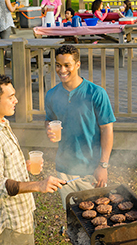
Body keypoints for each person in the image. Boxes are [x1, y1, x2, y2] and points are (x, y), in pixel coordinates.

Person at [0, 74, 65, 244]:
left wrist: (23, 165)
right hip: (10, 224)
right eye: (11, 97)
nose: (16, 100)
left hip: (20, 215)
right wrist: (39, 185)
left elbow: (2, 164)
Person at [44, 45, 115, 208]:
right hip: (63, 168)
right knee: (72, 218)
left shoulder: (96, 93)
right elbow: (49, 119)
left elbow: (107, 129)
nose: (62, 70)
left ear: (77, 64)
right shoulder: (52, 95)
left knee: (97, 215)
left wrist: (103, 165)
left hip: (91, 170)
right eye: (58, 65)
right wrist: (48, 128)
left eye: (67, 65)